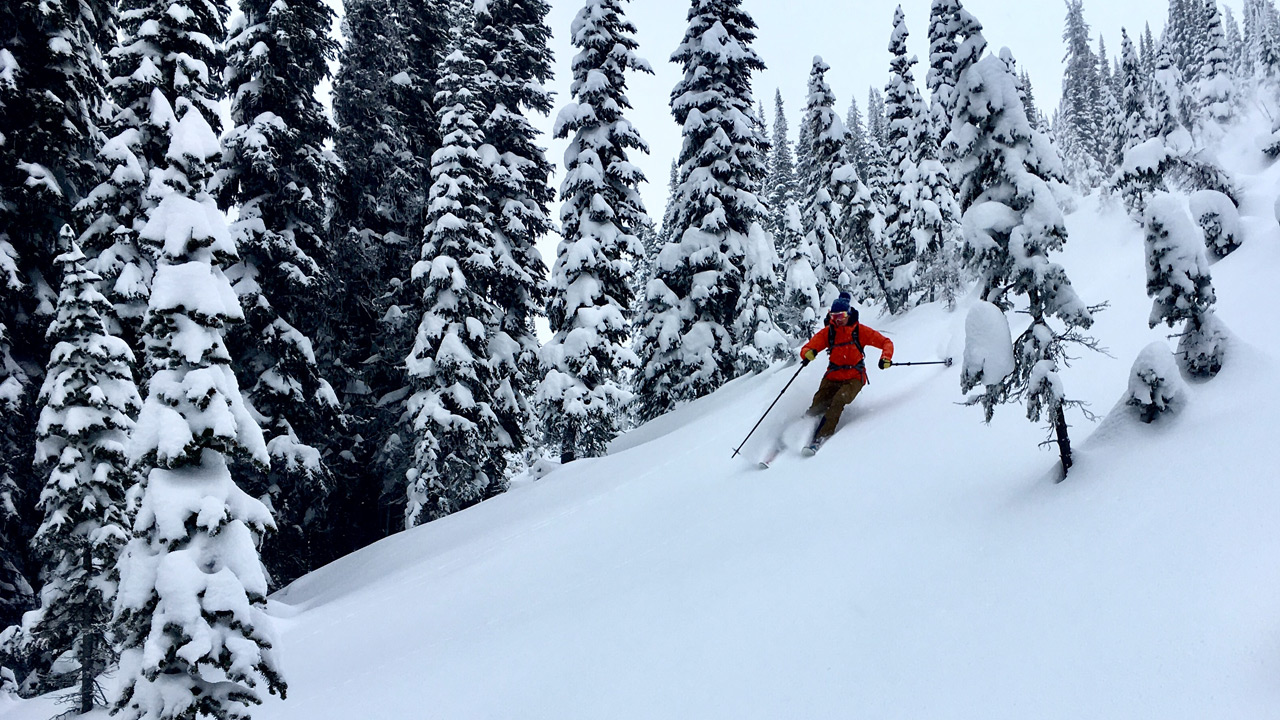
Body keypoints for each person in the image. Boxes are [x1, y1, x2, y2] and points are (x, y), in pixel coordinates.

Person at [798, 292, 894, 450]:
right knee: (818, 404)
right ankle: (799, 431)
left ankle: (821, 436)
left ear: (848, 313)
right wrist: (808, 353)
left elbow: (886, 342)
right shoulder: (829, 332)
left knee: (838, 400)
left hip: (855, 377)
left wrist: (886, 358)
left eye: (841, 315)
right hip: (833, 375)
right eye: (834, 316)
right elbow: (808, 347)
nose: (838, 320)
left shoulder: (859, 331)